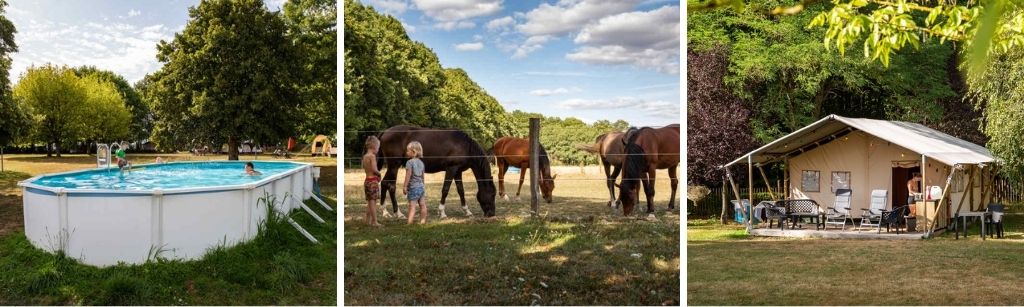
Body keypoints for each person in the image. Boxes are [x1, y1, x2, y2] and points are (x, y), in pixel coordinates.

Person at [403, 141, 427, 224]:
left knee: (412, 206)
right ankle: (423, 221)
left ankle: (409, 222)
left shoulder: (409, 162)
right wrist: (423, 186)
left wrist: (405, 186)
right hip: (421, 187)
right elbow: (422, 177)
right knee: (423, 205)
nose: (406, 152)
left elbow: (408, 176)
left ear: (413, 152)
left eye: (408, 151)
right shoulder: (422, 163)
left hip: (413, 187)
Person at [362, 136, 383, 227]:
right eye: (378, 147)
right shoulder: (372, 156)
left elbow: (366, 168)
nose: (378, 150)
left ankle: (368, 220)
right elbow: (374, 169)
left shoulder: (365, 156)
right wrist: (379, 174)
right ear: (374, 146)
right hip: (373, 182)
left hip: (367, 180)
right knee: (373, 202)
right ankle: (375, 221)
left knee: (370, 202)